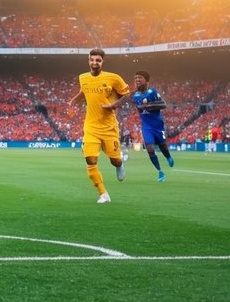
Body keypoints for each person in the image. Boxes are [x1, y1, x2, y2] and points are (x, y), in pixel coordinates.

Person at [67, 48, 129, 204]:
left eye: (98, 60)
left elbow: (127, 95)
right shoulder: (83, 78)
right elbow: (84, 91)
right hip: (91, 126)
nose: (94, 63)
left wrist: (113, 105)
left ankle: (120, 163)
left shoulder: (114, 78)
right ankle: (103, 194)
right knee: (90, 159)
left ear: (102, 62)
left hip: (109, 127)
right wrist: (75, 100)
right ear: (88, 60)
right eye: (92, 59)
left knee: (114, 160)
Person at [109, 71, 174, 181]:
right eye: (136, 78)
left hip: (158, 125)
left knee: (163, 145)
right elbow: (125, 100)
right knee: (150, 148)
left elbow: (163, 104)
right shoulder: (135, 95)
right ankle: (160, 172)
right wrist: (111, 105)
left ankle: (168, 157)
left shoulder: (152, 92)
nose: (137, 80)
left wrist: (149, 105)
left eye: (140, 78)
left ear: (146, 81)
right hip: (146, 126)